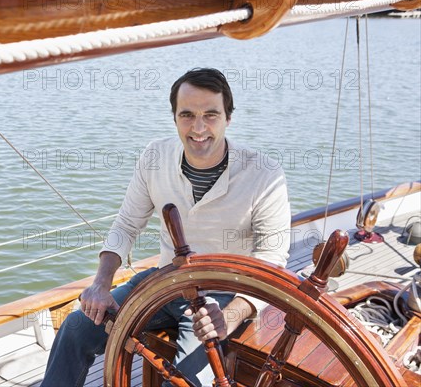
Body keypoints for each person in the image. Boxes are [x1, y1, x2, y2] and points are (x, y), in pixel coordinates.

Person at [41, 68, 291, 386]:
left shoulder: (264, 173)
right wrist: (101, 283)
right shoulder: (155, 155)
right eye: (187, 114)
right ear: (174, 117)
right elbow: (127, 224)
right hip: (163, 281)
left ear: (229, 117)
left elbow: (273, 257)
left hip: (223, 295)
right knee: (76, 329)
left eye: (210, 115)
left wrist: (233, 314)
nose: (198, 127)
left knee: (189, 380)